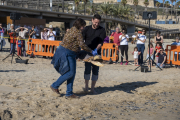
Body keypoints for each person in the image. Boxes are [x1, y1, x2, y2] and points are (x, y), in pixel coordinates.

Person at [50, 18, 94, 98]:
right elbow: (82, 45)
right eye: (83, 26)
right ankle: (55, 85)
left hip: (66, 51)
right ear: (80, 26)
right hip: (68, 53)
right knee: (70, 73)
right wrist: (91, 51)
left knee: (72, 73)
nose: (83, 28)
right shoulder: (78, 32)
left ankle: (69, 93)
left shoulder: (71, 30)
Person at [82, 14, 106, 94]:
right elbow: (82, 40)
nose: (96, 24)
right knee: (87, 69)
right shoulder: (86, 29)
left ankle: (92, 88)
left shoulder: (102, 30)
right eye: (95, 22)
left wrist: (96, 49)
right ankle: (86, 87)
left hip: (97, 53)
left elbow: (100, 42)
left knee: (95, 71)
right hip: (87, 53)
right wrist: (86, 49)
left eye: (98, 23)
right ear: (92, 20)